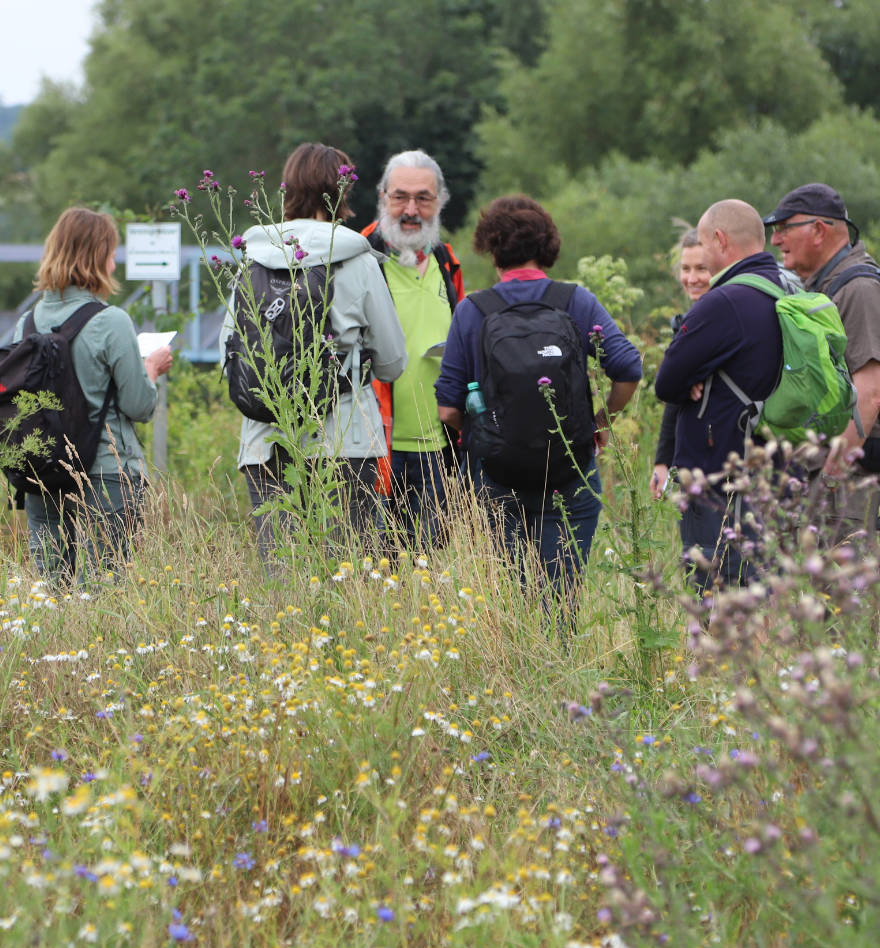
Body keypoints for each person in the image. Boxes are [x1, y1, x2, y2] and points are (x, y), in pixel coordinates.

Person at [435, 194, 642, 604]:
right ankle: (560, 662)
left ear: (490, 248)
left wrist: (484, 434)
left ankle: (520, 664)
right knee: (559, 600)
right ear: (547, 245)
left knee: (513, 603)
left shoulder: (473, 310)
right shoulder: (575, 301)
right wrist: (601, 421)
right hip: (571, 472)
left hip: (495, 478)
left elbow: (448, 407)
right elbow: (629, 369)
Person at [226, 142, 409, 558]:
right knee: (345, 574)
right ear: (340, 192)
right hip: (345, 440)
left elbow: (231, 346)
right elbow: (393, 361)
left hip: (266, 440)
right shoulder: (358, 259)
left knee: (282, 572)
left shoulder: (249, 257)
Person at [12, 206, 173, 582]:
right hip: (107, 471)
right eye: (112, 253)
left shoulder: (28, 322)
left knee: (53, 590)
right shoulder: (111, 321)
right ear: (98, 256)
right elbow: (139, 405)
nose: (114, 264)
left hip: (44, 470)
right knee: (103, 590)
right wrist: (150, 369)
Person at [652, 200, 788, 590]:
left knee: (719, 594)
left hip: (721, 479)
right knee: (761, 590)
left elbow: (667, 382)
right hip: (772, 467)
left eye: (704, 246)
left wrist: (693, 375)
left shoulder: (724, 302)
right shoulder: (782, 288)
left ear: (720, 240)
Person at [765, 182, 880, 537]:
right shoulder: (828, 286)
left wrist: (829, 478)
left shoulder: (860, 289)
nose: (775, 241)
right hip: (832, 471)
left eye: (782, 229)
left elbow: (871, 395)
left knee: (846, 586)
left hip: (850, 475)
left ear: (818, 230)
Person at [361, 149, 465, 547]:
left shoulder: (446, 261)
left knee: (430, 570)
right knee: (374, 575)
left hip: (438, 450)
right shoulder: (359, 255)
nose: (411, 209)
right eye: (400, 196)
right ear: (382, 195)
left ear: (439, 202)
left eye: (423, 198)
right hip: (372, 449)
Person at [651, 227, 712, 499]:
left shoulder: (725, 314)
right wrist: (663, 461)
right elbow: (672, 392)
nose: (692, 278)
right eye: (686, 269)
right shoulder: (690, 320)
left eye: (702, 268)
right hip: (692, 461)